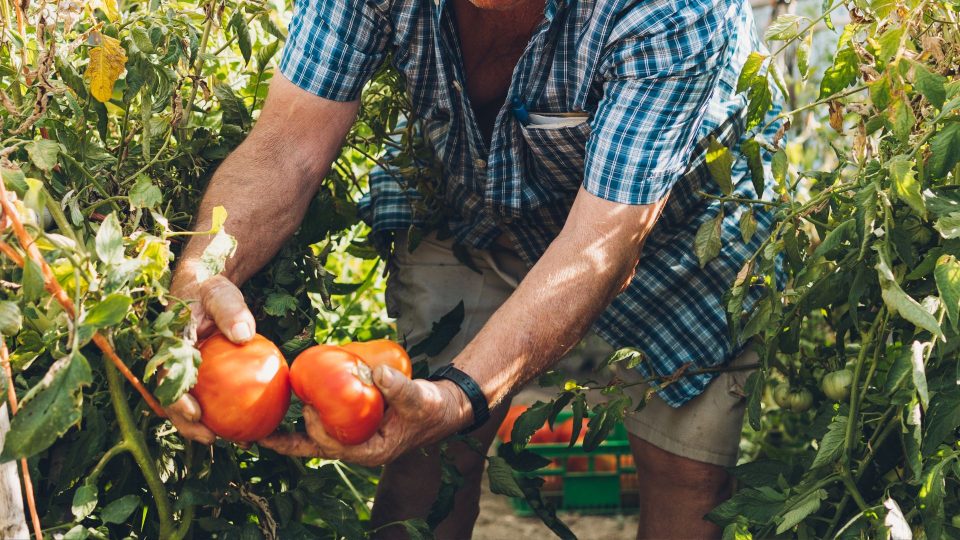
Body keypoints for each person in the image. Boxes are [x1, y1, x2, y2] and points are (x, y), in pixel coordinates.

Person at [165, 0, 783, 537]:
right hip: (475, 198)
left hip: (678, 229)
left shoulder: (672, 9)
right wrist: (200, 272)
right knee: (423, 448)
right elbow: (286, 146)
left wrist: (461, 395)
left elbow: (601, 245)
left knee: (687, 474)